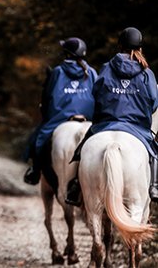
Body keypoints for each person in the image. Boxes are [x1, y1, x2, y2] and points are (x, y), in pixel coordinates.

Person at [66, 27, 158, 206]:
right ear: (140, 47)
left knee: (82, 148)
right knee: (155, 152)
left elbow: (97, 92)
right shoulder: (147, 72)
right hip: (136, 126)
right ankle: (155, 186)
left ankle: (76, 186)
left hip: (106, 124)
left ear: (120, 45)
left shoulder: (108, 68)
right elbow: (154, 102)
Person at [23, 37, 98, 189]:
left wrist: (46, 114)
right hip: (89, 118)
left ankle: (35, 170)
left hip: (60, 118)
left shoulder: (57, 72)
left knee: (38, 139)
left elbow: (48, 98)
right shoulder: (92, 73)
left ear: (66, 54)